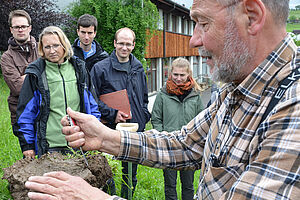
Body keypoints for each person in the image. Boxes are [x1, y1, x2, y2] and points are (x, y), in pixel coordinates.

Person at [25, 0, 300, 199]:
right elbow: (185, 143)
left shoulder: (292, 108)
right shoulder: (237, 88)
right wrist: (106, 138)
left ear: (251, 16)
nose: (193, 40)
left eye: (203, 23)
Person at [14, 26, 101, 159]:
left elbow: (93, 105)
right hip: (50, 145)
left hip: (79, 142)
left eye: (56, 45)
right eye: (47, 47)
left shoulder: (79, 69)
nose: (52, 51)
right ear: (41, 49)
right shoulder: (36, 74)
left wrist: (96, 132)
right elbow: (25, 113)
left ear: (64, 46)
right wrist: (27, 145)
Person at [90, 27, 151, 198]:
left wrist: (144, 116)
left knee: (130, 174)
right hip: (110, 130)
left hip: (134, 131)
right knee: (107, 173)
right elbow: (91, 100)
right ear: (115, 43)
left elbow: (144, 97)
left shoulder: (138, 67)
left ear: (133, 45)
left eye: (128, 44)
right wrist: (112, 114)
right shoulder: (100, 68)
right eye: (121, 43)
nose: (124, 48)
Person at [151, 57, 204, 200]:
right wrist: (162, 137)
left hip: (189, 147)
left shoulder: (195, 95)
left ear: (188, 75)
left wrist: (196, 141)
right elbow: (156, 118)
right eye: (175, 74)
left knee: (188, 185)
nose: (178, 78)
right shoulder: (162, 94)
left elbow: (201, 121)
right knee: (170, 184)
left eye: (182, 75)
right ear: (170, 74)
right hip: (169, 146)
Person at [0, 10, 38, 134]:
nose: (20, 30)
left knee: (48, 151)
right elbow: (17, 88)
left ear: (30, 28)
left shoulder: (43, 49)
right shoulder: (6, 57)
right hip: (20, 112)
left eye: (23, 26)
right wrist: (38, 75)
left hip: (44, 109)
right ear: (11, 30)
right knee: (28, 152)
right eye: (17, 27)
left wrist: (25, 77)